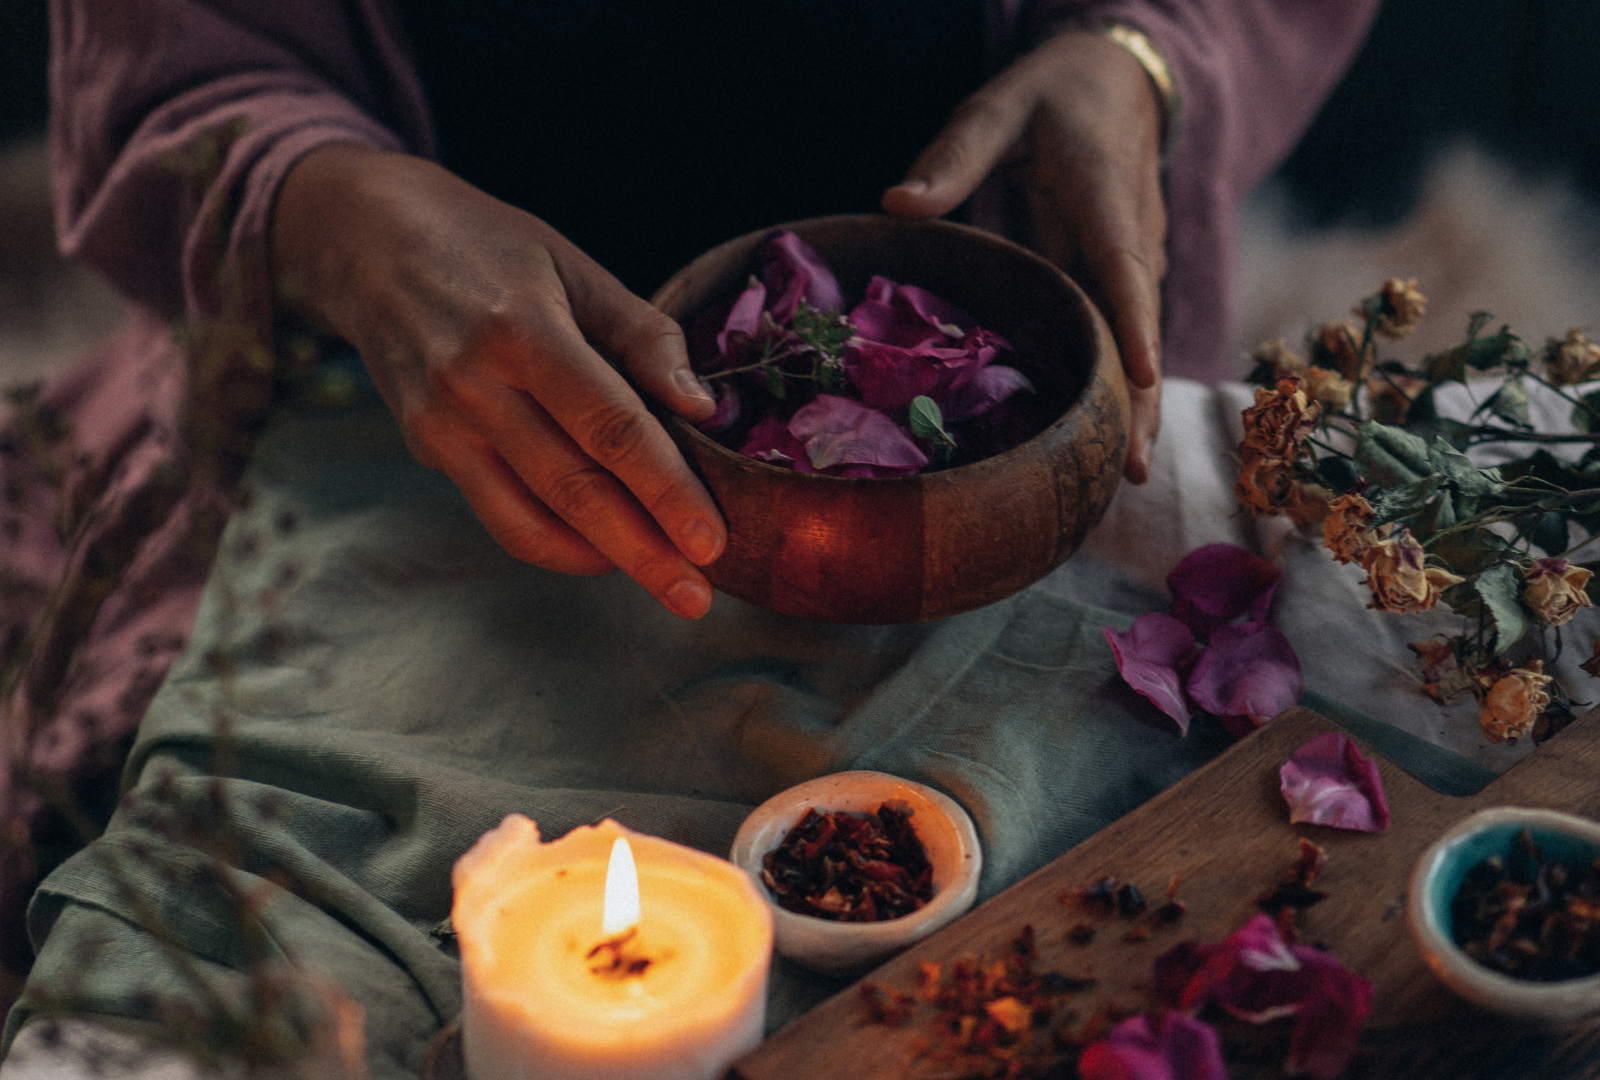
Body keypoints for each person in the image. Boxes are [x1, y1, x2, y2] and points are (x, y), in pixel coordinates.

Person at [1, 2, 1380, 1076]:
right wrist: (333, 213)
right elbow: (164, 78)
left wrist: (1139, 53)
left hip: (1004, 384)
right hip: (402, 407)